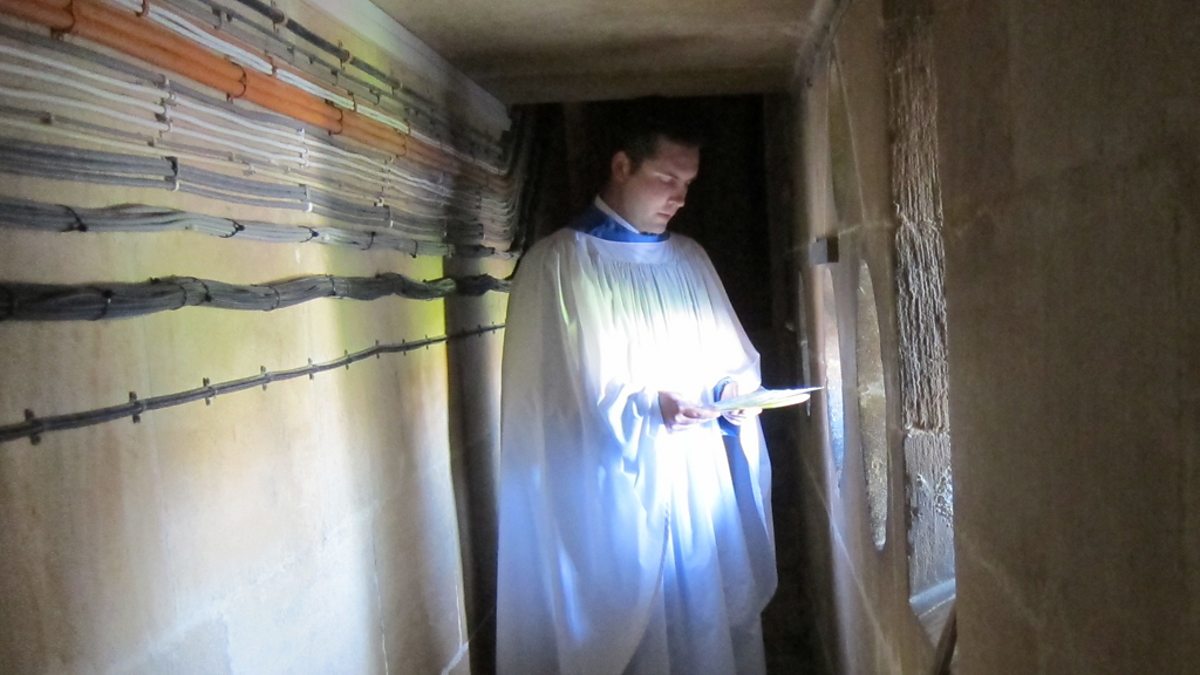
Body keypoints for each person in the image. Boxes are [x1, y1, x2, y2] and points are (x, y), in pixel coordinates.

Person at [496, 102, 777, 675]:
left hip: (695, 481)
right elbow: (551, 401)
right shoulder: (558, 266)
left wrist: (733, 395)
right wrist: (648, 408)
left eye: (688, 184)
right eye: (667, 179)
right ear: (622, 166)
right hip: (610, 494)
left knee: (700, 626)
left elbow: (734, 360)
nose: (680, 198)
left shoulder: (690, 260)